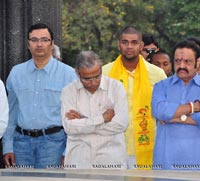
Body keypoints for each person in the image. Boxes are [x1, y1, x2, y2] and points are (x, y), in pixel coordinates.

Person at [2, 23, 77, 169]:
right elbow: (10, 113)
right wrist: (8, 146)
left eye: (44, 39)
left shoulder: (69, 75)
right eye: (34, 40)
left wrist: (69, 150)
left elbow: (74, 118)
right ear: (28, 44)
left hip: (54, 145)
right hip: (21, 145)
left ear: (52, 44)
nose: (39, 44)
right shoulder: (16, 73)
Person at [152, 39, 200, 170]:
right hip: (167, 163)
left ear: (197, 63)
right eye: (177, 61)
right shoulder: (161, 86)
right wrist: (194, 107)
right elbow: (159, 111)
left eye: (187, 61)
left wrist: (176, 118)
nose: (182, 65)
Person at [102, 26, 166, 169]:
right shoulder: (105, 73)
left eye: (134, 42)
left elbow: (164, 110)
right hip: (112, 144)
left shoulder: (157, 74)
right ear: (119, 44)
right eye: (125, 42)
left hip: (146, 145)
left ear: (141, 45)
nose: (129, 46)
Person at [61, 50, 128, 169]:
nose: (93, 83)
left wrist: (84, 121)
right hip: (79, 160)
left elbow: (120, 125)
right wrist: (102, 118)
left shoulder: (116, 88)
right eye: (87, 79)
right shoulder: (68, 91)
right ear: (77, 73)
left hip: (111, 160)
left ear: (101, 70)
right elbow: (69, 127)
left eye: (97, 77)